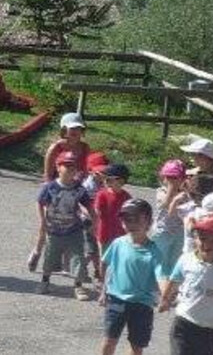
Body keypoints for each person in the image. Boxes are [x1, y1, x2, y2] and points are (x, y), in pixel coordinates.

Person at [99, 198, 165, 355]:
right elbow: (107, 265)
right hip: (116, 300)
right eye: (126, 219)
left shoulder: (154, 251)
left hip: (142, 304)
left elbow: (161, 277)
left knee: (137, 345)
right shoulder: (118, 243)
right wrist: (104, 290)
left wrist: (165, 295)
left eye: (137, 219)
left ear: (149, 222)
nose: (131, 223)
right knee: (109, 340)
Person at [29, 112, 93, 271]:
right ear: (64, 130)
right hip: (55, 189)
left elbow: (84, 170)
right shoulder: (56, 148)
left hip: (74, 188)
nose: (75, 132)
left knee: (73, 223)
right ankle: (37, 251)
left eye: (78, 129)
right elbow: (48, 175)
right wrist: (54, 192)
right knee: (46, 223)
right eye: (72, 129)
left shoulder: (84, 148)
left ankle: (66, 260)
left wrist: (78, 187)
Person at [159, 211, 213, 355]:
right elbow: (175, 279)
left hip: (211, 330)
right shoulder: (186, 260)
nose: (207, 244)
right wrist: (165, 299)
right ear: (195, 238)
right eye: (203, 238)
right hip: (184, 324)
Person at [37, 151, 96, 300]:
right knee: (50, 256)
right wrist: (43, 220)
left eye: (73, 166)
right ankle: (45, 281)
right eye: (66, 166)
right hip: (54, 229)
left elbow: (88, 204)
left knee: (78, 258)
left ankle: (78, 286)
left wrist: (93, 219)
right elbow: (40, 202)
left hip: (74, 229)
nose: (70, 169)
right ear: (58, 167)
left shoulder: (79, 188)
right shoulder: (50, 187)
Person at [94, 163, 133, 278]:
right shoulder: (102, 194)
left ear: (121, 181)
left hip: (121, 233)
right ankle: (102, 279)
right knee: (104, 258)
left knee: (119, 258)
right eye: (106, 179)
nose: (106, 181)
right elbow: (97, 210)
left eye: (109, 179)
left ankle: (114, 279)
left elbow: (129, 213)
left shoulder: (126, 196)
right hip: (104, 232)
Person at [153, 160, 188, 277]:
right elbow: (164, 204)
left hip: (179, 232)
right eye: (168, 177)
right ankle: (158, 286)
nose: (170, 180)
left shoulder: (185, 193)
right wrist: (172, 189)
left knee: (174, 262)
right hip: (163, 231)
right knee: (160, 262)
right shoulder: (161, 191)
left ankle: (170, 287)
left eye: (174, 177)